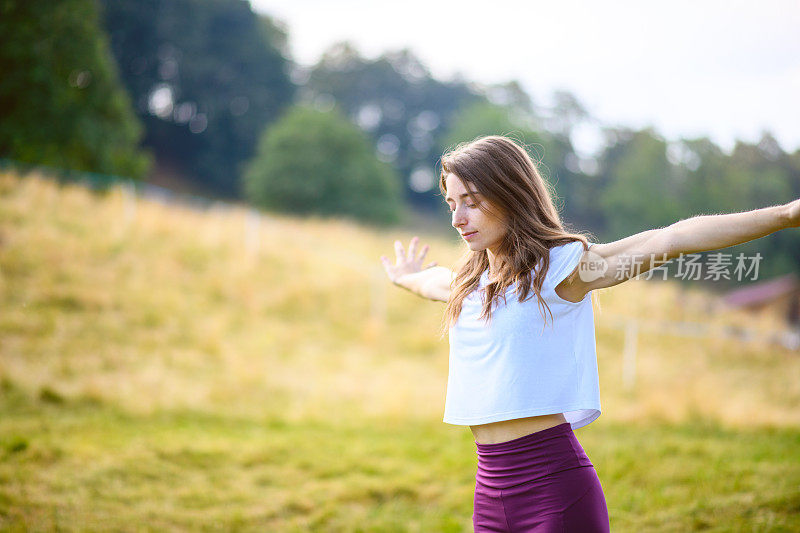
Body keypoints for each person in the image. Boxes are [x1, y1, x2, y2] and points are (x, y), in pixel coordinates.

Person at [380, 135, 800, 532]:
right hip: (489, 491)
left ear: (509, 194)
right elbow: (431, 281)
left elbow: (670, 239)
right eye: (451, 204)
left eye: (470, 203)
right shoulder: (470, 285)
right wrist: (406, 278)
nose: (457, 219)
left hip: (552, 487)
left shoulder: (563, 269)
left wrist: (786, 215)